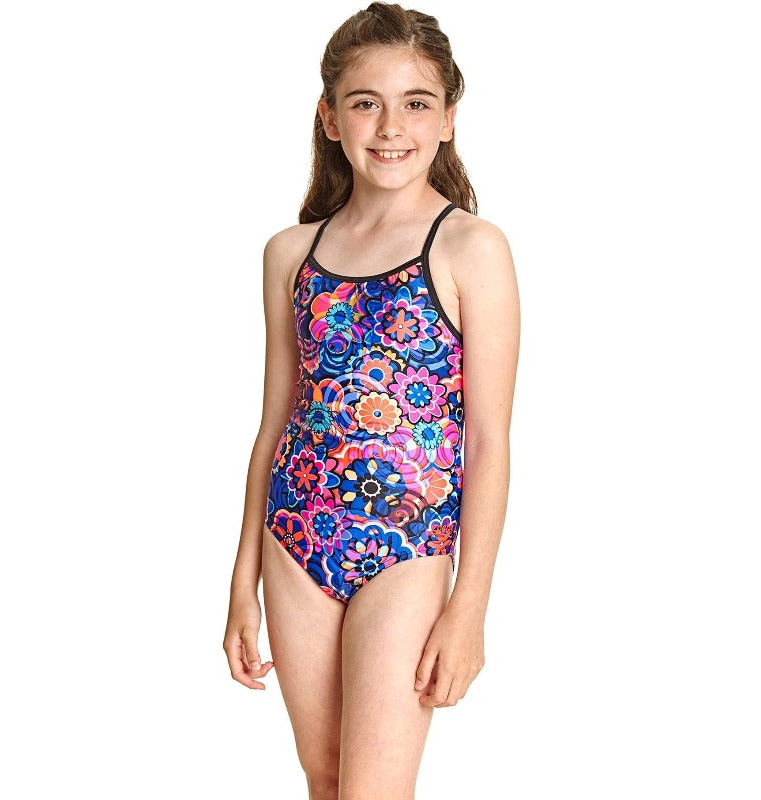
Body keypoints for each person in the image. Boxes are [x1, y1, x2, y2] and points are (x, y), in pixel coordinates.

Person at [223, 2, 520, 797]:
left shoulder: (470, 248)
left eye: (416, 103)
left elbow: (489, 440)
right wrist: (242, 581)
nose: (391, 127)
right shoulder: (291, 254)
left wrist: (469, 607)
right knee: (325, 780)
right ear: (329, 118)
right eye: (365, 102)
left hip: (408, 548)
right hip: (295, 538)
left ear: (448, 118)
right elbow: (274, 423)